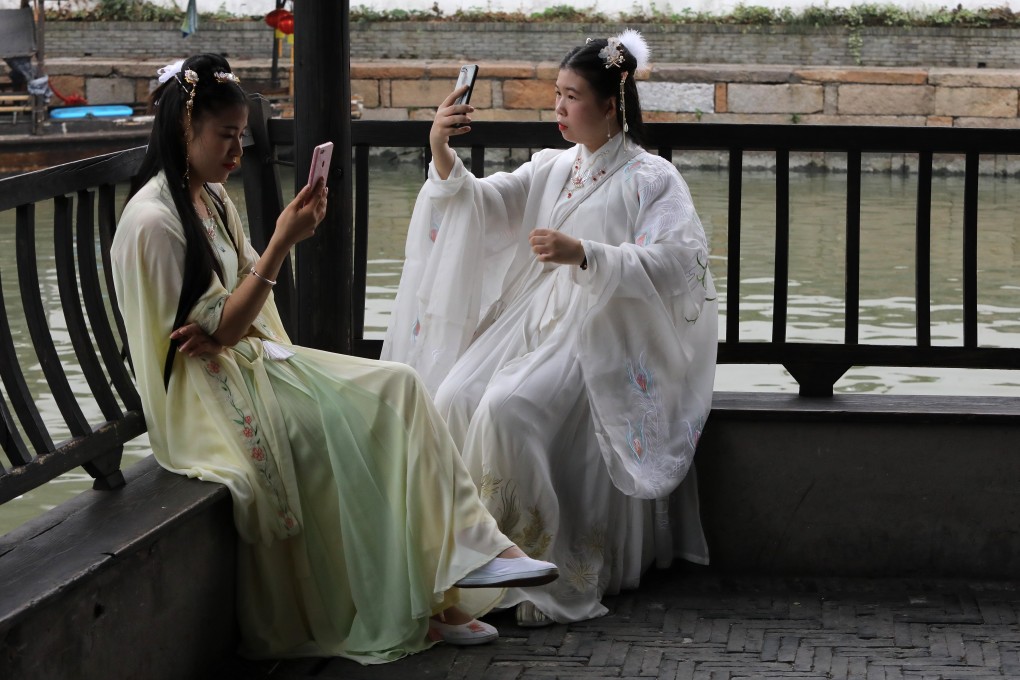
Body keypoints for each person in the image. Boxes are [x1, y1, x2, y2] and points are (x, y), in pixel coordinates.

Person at [109, 54, 558, 664]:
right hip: (204, 395)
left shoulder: (209, 197)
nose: (237, 151)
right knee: (361, 424)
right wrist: (279, 247)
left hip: (246, 359)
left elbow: (229, 315)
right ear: (183, 130)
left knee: (399, 386)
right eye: (226, 136)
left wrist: (228, 318)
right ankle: (430, 593)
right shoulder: (155, 223)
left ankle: (467, 561)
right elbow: (205, 334)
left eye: (242, 136)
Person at [382, 30, 718, 626]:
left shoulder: (652, 178)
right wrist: (440, 150)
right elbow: (482, 205)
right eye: (556, 94)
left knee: (508, 408)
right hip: (531, 321)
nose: (558, 109)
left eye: (571, 96)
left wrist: (586, 253)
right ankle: (466, 559)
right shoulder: (553, 167)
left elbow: (677, 263)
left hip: (599, 330)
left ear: (610, 105)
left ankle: (532, 560)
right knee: (456, 394)